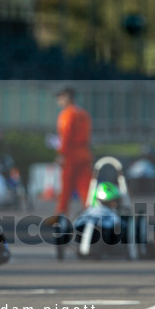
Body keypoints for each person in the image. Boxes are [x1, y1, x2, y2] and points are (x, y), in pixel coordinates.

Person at [54, 87, 93, 217]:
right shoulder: (83, 113)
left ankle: (61, 213)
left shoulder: (67, 114)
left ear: (66, 97)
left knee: (66, 186)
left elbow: (66, 136)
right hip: (84, 152)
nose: (58, 101)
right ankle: (92, 210)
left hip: (71, 154)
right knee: (85, 185)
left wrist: (62, 154)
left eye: (60, 97)